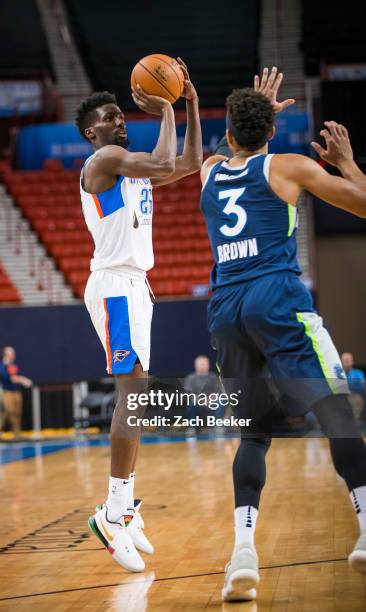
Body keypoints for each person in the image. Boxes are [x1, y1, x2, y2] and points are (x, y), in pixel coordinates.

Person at [200, 67, 366, 601]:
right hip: (275, 297)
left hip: (225, 309)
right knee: (336, 412)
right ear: (271, 132)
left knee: (253, 435)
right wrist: (346, 163)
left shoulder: (207, 171)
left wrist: (255, 113)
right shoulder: (289, 166)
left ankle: (242, 555)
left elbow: (237, 144)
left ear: (227, 135)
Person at [76, 58, 202, 571]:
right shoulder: (105, 159)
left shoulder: (132, 168)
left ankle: (124, 510)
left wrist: (190, 103)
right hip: (112, 285)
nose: (119, 120)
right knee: (131, 394)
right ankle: (112, 510)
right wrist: (167, 108)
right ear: (92, 131)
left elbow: (188, 162)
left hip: (135, 285)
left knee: (140, 395)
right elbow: (162, 159)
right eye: (110, 116)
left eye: (119, 115)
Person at [0, 346, 32, 439]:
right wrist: (23, 380)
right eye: (11, 353)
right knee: (9, 412)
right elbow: (10, 378)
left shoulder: (13, 365)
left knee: (17, 412)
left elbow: (16, 375)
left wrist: (21, 379)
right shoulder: (2, 366)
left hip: (16, 391)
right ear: (5, 354)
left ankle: (17, 433)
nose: (13, 355)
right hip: (7, 392)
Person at [184, 355, 222, 431]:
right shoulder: (191, 378)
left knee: (221, 401)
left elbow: (218, 392)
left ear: (208, 365)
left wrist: (210, 399)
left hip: (211, 401)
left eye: (204, 364)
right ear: (196, 365)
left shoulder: (213, 377)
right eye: (200, 364)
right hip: (197, 402)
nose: (202, 366)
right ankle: (192, 427)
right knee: (192, 403)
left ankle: (218, 426)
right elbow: (189, 394)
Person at [341, 352, 365, 422]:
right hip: (340, 398)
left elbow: (360, 388)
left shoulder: (358, 373)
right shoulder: (338, 373)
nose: (347, 362)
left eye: (349, 360)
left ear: (352, 361)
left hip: (354, 397)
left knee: (357, 399)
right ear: (341, 361)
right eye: (345, 360)